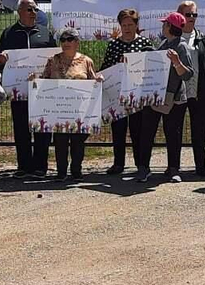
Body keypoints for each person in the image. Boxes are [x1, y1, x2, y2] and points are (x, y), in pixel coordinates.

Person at [0, 0, 54, 178]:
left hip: (41, 89)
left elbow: (54, 59)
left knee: (43, 129)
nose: (33, 12)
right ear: (19, 11)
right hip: (19, 91)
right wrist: (0, 60)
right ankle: (24, 166)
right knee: (21, 128)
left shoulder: (45, 33)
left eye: (35, 9)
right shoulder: (9, 33)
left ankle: (40, 167)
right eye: (29, 9)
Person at [39, 27, 101, 181]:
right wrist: (34, 80)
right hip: (58, 109)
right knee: (60, 140)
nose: (66, 42)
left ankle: (76, 170)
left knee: (78, 141)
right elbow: (43, 81)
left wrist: (99, 81)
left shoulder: (87, 61)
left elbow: (93, 80)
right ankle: (61, 172)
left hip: (80, 109)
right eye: (63, 40)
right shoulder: (52, 60)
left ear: (77, 42)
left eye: (70, 39)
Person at [139, 14, 194, 183]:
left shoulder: (181, 46)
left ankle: (173, 169)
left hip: (175, 98)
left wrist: (177, 62)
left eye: (165, 24)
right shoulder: (163, 43)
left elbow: (188, 74)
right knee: (147, 131)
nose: (162, 27)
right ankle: (144, 168)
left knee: (173, 134)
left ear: (170, 27)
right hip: (157, 95)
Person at [100, 9, 156, 175]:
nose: (127, 28)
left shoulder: (145, 44)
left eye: (130, 24)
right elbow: (105, 67)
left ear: (137, 25)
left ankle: (141, 164)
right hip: (117, 96)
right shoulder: (114, 44)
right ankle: (118, 164)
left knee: (138, 131)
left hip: (138, 95)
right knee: (118, 130)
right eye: (124, 25)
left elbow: (153, 67)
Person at [175, 0, 205, 175]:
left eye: (195, 14)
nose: (192, 18)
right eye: (188, 14)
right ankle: (174, 167)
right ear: (180, 16)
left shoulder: (204, 39)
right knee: (175, 129)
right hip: (178, 92)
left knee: (199, 130)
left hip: (199, 91)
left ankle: (200, 166)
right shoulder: (172, 39)